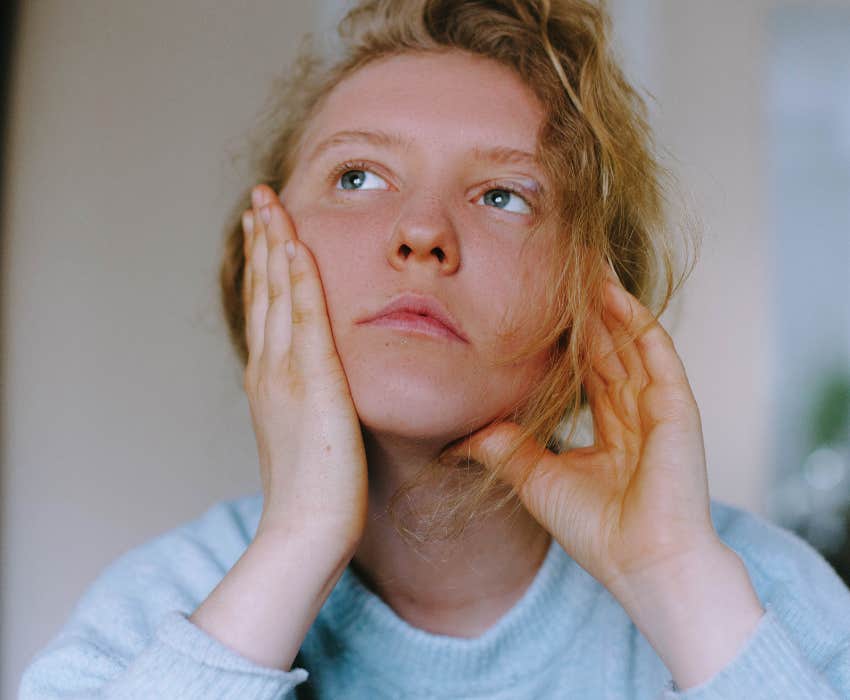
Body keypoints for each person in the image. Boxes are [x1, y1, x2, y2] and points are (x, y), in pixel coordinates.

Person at [19, 1, 850, 698]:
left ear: (592, 305)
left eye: (503, 195)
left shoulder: (766, 595)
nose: (423, 232)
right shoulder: (162, 608)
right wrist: (297, 542)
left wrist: (677, 583)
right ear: (260, 261)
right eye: (358, 177)